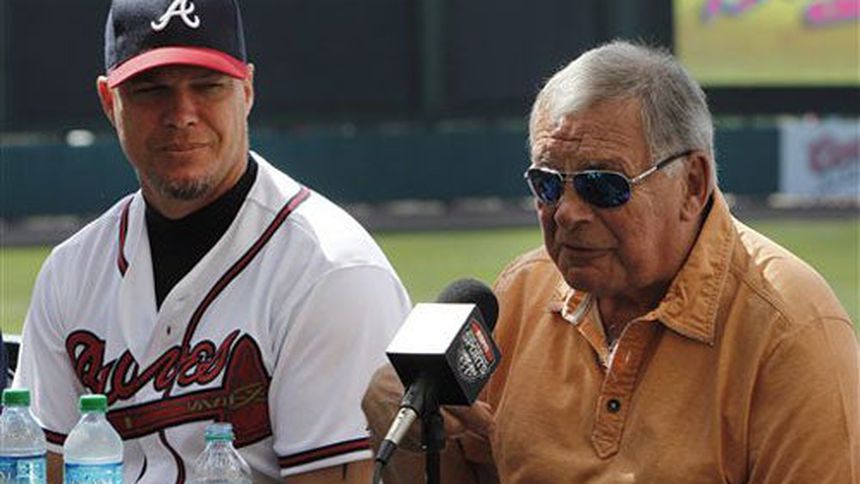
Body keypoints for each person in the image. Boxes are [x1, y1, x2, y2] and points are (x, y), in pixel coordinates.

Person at [362, 40, 859, 483]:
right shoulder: (520, 296)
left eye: (602, 184)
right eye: (547, 184)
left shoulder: (789, 329)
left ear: (692, 184)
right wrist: (406, 427)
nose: (568, 212)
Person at [12, 0, 411, 482]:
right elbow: (39, 468)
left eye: (207, 86)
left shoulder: (332, 271)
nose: (181, 114)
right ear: (108, 101)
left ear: (247, 90)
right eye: (151, 90)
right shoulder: (70, 272)